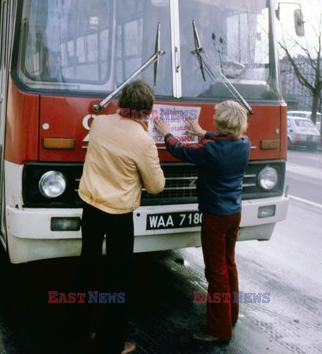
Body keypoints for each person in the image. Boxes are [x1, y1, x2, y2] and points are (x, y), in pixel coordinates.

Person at [76, 80, 165, 354]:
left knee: (88, 265)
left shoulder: (99, 123)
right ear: (147, 110)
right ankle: (113, 342)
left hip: (90, 205)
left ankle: (83, 328)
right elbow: (156, 186)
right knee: (117, 277)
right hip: (118, 214)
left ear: (122, 103)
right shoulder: (143, 141)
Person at [154, 100, 250, 344]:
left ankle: (219, 330)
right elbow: (225, 137)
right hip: (233, 213)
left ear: (221, 123)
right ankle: (231, 316)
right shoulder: (244, 144)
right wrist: (203, 133)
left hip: (215, 217)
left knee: (215, 272)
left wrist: (167, 133)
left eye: (217, 117)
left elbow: (181, 151)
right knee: (229, 265)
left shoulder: (212, 151)